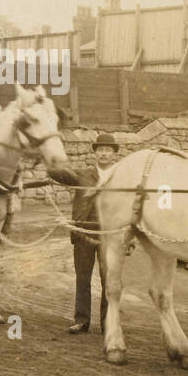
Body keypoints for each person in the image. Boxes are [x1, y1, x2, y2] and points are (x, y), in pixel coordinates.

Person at [67, 133, 121, 334]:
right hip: (84, 232)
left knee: (109, 279)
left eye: (108, 150)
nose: (104, 154)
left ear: (113, 154)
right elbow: (58, 173)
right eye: (100, 150)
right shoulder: (83, 175)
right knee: (83, 278)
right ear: (95, 153)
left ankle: (108, 322)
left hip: (110, 233)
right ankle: (81, 320)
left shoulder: (121, 177)